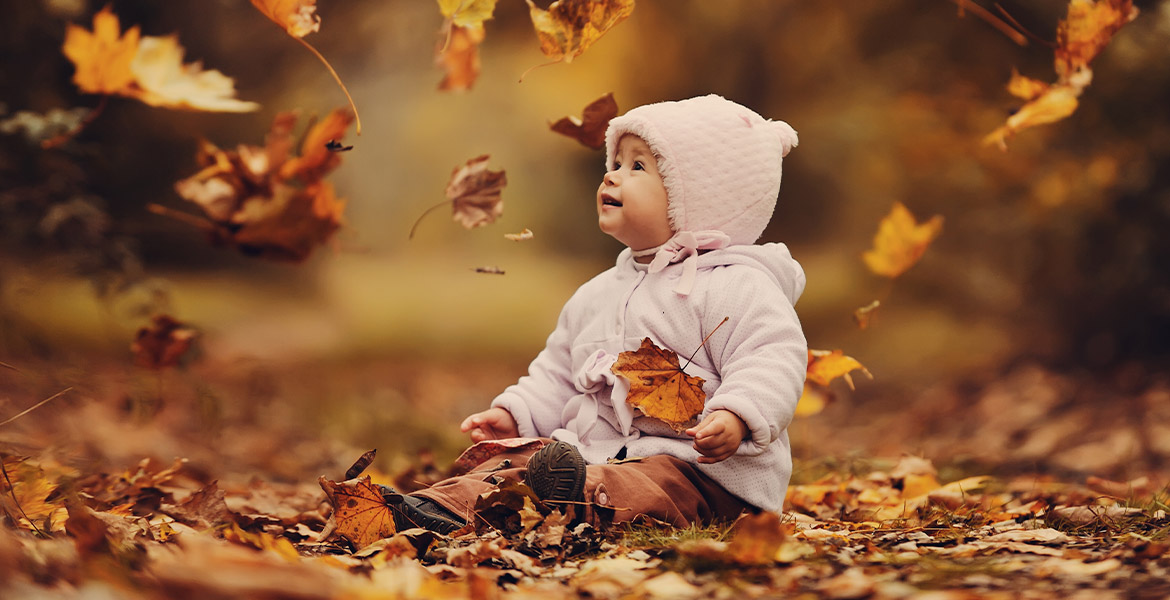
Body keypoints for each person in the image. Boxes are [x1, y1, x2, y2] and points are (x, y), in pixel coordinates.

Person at [383, 94, 807, 534]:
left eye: (637, 167)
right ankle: (440, 508)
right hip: (595, 457)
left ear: (702, 194)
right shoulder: (597, 294)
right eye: (617, 163)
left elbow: (771, 356)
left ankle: (561, 496)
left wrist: (738, 414)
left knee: (639, 485)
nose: (612, 175)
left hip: (704, 476)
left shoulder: (736, 285)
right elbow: (559, 375)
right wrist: (519, 412)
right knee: (518, 461)